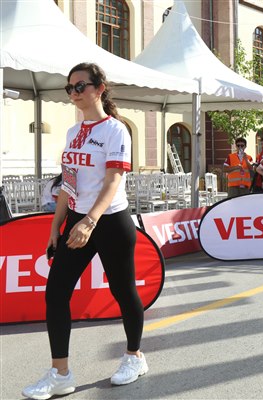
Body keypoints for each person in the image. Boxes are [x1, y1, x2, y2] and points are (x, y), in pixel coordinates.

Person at [22, 63, 147, 400]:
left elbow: (113, 180)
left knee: (123, 291)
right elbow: (69, 183)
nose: (74, 93)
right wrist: (56, 226)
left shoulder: (116, 130)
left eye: (81, 86)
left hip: (110, 221)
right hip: (77, 220)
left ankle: (134, 356)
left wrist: (90, 221)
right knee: (56, 292)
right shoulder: (72, 132)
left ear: (99, 88)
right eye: (70, 88)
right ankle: (60, 374)